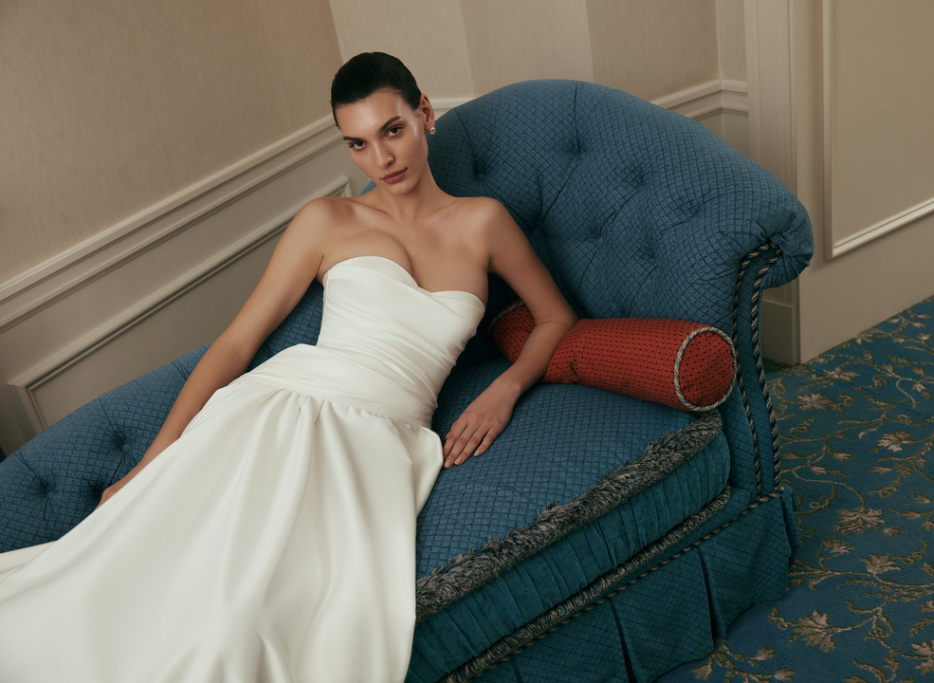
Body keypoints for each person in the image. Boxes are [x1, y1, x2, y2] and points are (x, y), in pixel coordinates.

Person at [0, 52, 576, 682]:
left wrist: (505, 388)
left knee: (254, 623)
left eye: (392, 130)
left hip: (383, 440)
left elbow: (555, 317)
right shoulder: (327, 220)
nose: (382, 159)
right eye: (357, 143)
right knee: (148, 592)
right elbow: (236, 343)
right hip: (277, 414)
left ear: (425, 114)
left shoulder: (484, 222)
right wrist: (150, 463)